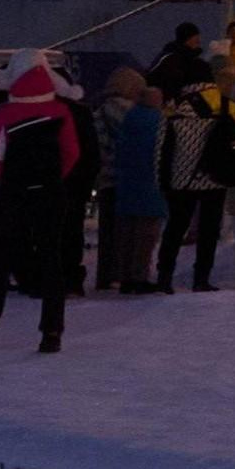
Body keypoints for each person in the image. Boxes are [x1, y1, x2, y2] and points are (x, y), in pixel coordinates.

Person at [0, 57, 94, 353]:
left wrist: (6, 185)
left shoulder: (5, 112)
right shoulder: (60, 110)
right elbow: (72, 153)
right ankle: (52, 330)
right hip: (50, 194)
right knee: (51, 259)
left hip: (13, 195)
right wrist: (53, 180)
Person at [163, 64, 235, 292]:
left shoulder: (174, 106)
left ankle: (165, 276)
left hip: (181, 178)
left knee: (175, 228)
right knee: (209, 230)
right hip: (214, 175)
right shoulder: (226, 104)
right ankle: (201, 278)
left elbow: (162, 144)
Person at [90, 64, 165, 296]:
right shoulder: (125, 110)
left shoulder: (100, 108)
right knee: (128, 231)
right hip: (119, 176)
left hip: (107, 177)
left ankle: (108, 275)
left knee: (112, 230)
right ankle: (121, 274)